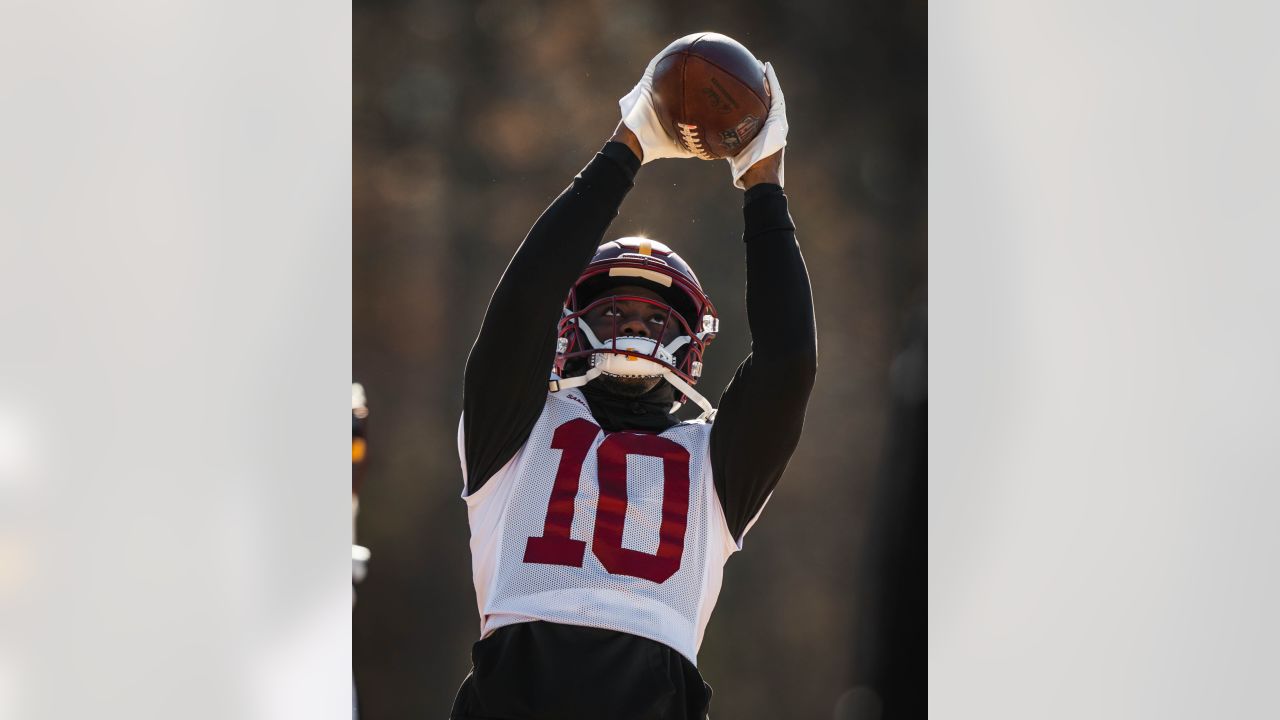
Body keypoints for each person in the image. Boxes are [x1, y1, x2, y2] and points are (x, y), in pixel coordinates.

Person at [451, 51, 816, 720]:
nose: (632, 325)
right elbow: (523, 301)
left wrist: (765, 185)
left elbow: (788, 360)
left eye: (654, 316)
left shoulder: (716, 466)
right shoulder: (516, 428)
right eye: (613, 310)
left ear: (691, 339)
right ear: (571, 323)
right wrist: (627, 146)